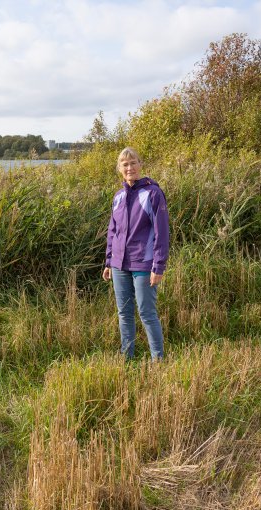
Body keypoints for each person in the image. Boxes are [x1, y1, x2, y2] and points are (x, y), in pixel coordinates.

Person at [102, 147, 169, 361]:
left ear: (140, 165)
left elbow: (162, 233)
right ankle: (126, 357)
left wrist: (158, 266)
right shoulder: (118, 197)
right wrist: (108, 261)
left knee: (147, 314)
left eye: (133, 163)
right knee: (124, 314)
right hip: (119, 264)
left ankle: (158, 361)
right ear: (119, 169)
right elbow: (113, 231)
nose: (129, 168)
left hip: (144, 263)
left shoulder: (152, 193)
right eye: (125, 164)